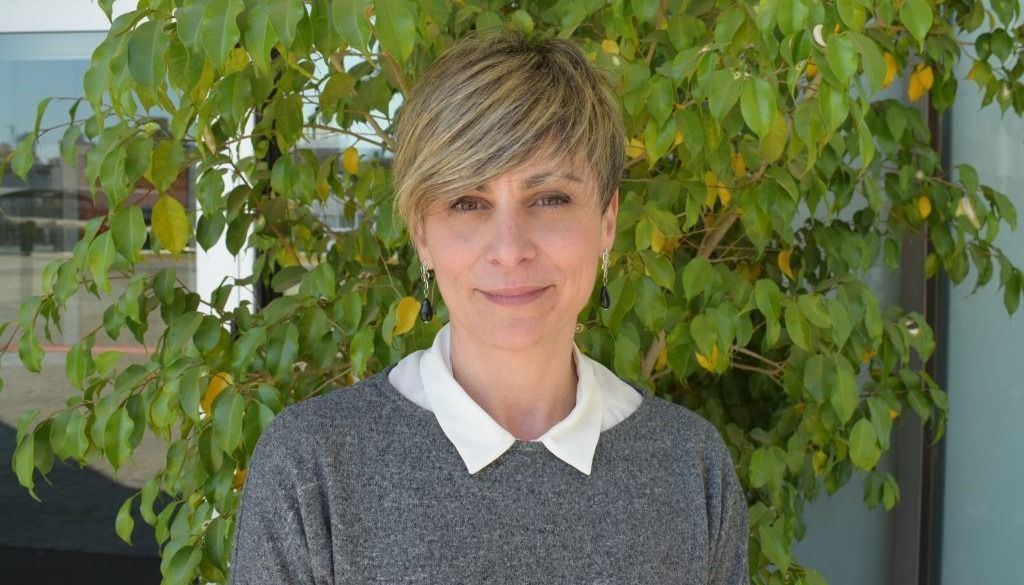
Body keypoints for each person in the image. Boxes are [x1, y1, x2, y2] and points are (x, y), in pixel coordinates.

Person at [229, 31, 748, 584]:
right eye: (467, 203)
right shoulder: (312, 470)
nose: (509, 249)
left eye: (550, 198)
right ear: (422, 235)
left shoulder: (690, 469)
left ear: (607, 219)